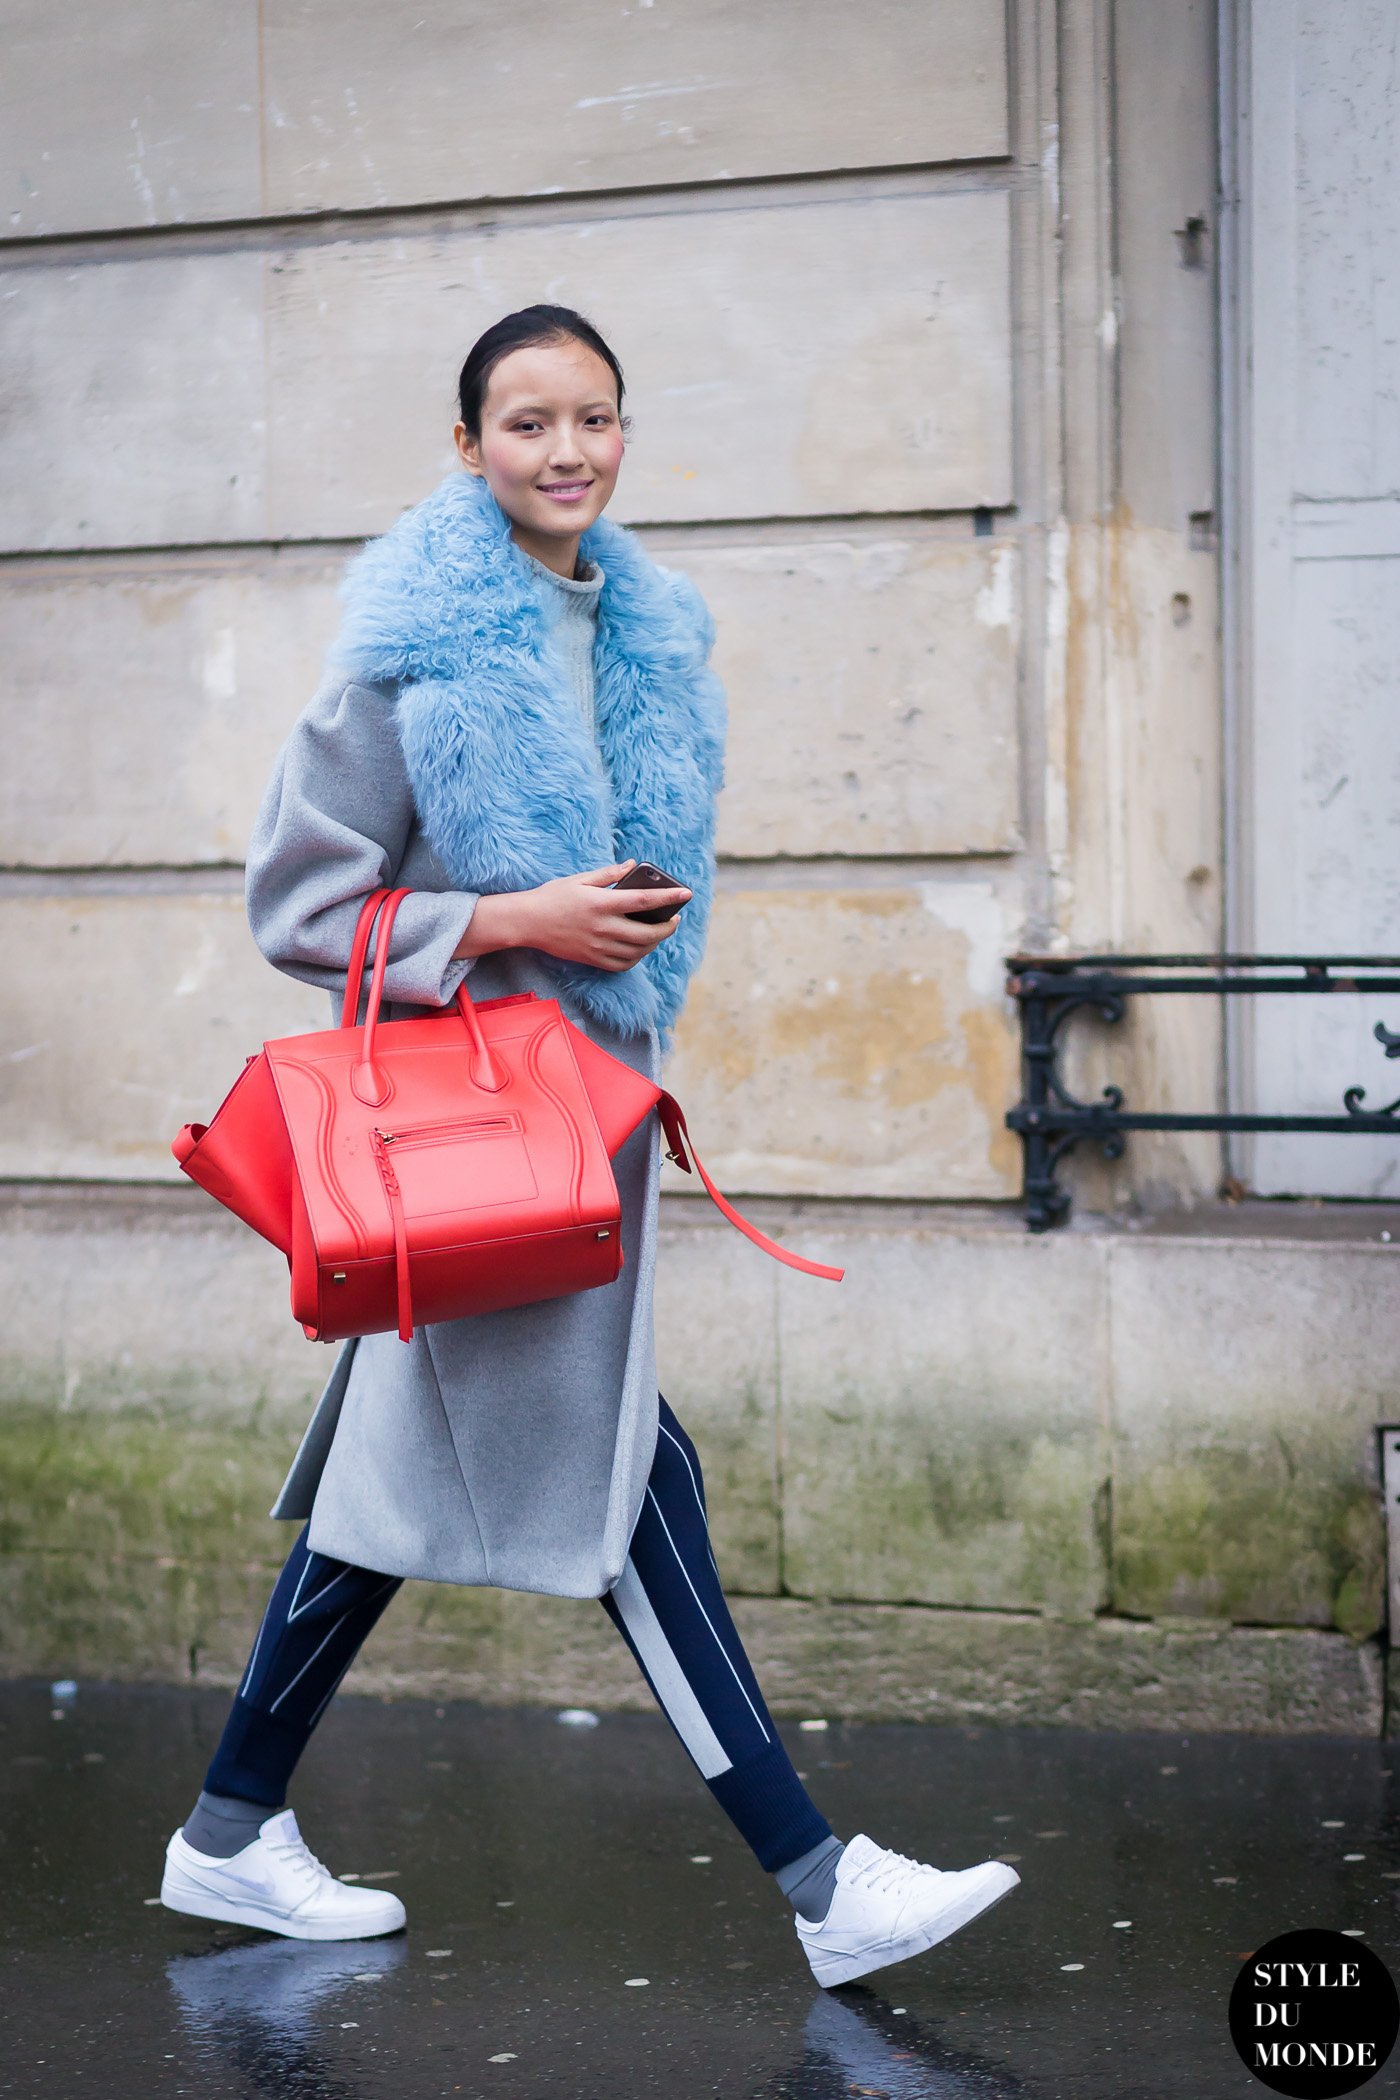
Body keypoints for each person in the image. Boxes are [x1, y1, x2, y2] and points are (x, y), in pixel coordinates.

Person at [159, 304, 1020, 1987]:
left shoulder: (645, 633)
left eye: (596, 419)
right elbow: (299, 898)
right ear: (466, 443)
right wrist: (513, 915)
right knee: (637, 1481)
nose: (567, 451)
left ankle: (228, 1833)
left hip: (577, 1132)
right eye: (529, 422)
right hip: (479, 1140)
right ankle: (822, 1882)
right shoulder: (411, 652)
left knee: (389, 1490)